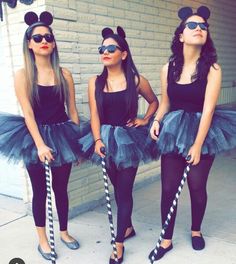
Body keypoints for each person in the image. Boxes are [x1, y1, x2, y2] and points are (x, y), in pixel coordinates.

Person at [149, 5, 236, 261]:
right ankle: (166, 239)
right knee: (168, 188)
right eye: (192, 26)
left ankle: (196, 230)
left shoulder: (213, 69)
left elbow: (208, 110)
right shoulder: (168, 68)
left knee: (196, 186)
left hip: (204, 132)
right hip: (174, 130)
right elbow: (166, 101)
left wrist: (197, 145)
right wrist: (157, 120)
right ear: (181, 35)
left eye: (203, 26)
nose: (199, 29)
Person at [0, 11, 89, 260]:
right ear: (29, 43)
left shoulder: (64, 74)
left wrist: (78, 145)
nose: (43, 41)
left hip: (62, 134)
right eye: (37, 37)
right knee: (41, 191)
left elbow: (72, 111)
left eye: (48, 36)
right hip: (33, 137)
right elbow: (27, 113)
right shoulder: (23, 75)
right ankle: (42, 240)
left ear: (53, 41)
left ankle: (63, 232)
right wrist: (40, 145)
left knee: (61, 189)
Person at [82, 26, 158, 263]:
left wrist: (144, 119)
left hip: (128, 140)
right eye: (102, 49)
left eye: (111, 48)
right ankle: (128, 227)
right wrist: (96, 140)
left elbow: (154, 101)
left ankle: (118, 244)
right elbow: (94, 114)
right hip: (104, 139)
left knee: (124, 191)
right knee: (117, 188)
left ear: (123, 54)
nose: (105, 52)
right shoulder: (94, 81)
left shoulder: (135, 80)